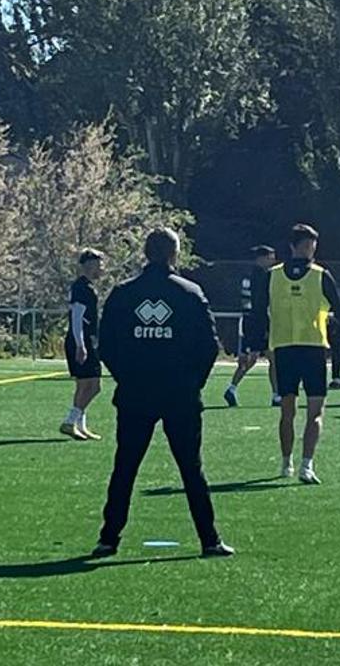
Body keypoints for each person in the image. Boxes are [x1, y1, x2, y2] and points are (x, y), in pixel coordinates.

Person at [93, 227, 232, 558]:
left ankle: (108, 538)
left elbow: (108, 345)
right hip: (180, 395)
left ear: (145, 253)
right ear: (175, 254)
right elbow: (209, 347)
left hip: (135, 394)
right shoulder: (189, 292)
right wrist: (191, 382)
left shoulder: (123, 293)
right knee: (191, 468)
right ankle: (209, 540)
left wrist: (126, 377)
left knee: (125, 466)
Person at [245, 224, 340, 484]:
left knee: (295, 411)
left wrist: (254, 343)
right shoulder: (320, 275)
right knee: (307, 411)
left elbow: (258, 312)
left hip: (288, 349)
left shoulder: (272, 275)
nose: (311, 250)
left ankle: (296, 464)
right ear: (296, 247)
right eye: (309, 245)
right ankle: (299, 464)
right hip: (309, 349)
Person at [224, 246, 279, 408]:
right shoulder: (263, 276)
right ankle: (275, 395)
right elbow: (262, 302)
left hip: (249, 320)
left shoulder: (248, 275)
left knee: (257, 358)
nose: (273, 261)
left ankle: (232, 388)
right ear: (261, 258)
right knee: (270, 358)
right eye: (271, 257)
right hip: (259, 321)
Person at [61, 249, 105, 441]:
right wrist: (81, 344)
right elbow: (77, 317)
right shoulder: (82, 288)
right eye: (99, 264)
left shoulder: (86, 286)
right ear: (90, 265)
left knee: (83, 385)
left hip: (84, 340)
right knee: (94, 386)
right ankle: (70, 421)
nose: (102, 268)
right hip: (82, 340)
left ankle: (80, 426)